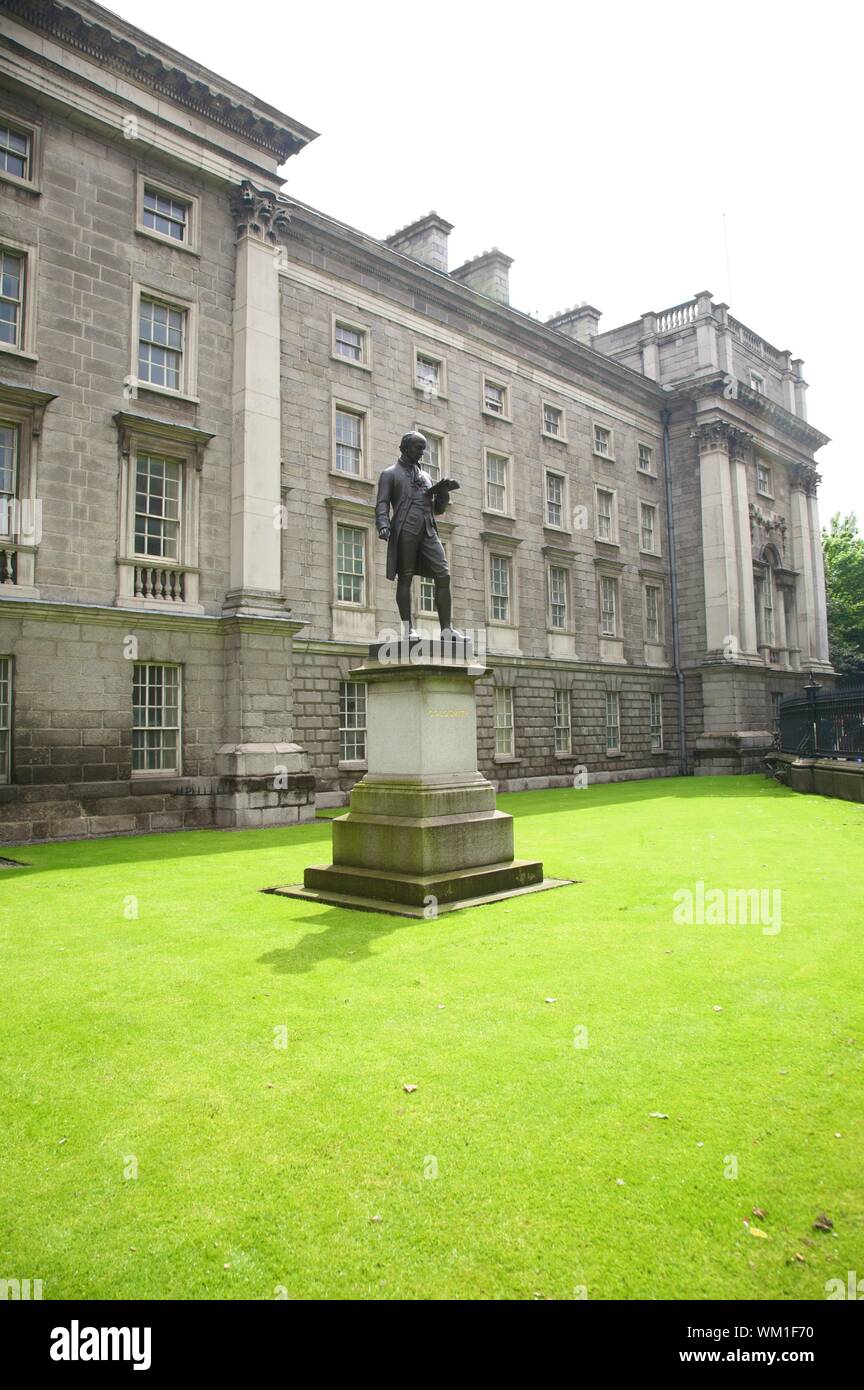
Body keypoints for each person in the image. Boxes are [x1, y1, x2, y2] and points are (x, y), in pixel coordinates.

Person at [375, 430, 464, 640]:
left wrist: (443, 492)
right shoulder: (390, 473)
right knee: (405, 577)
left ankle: (447, 630)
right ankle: (408, 629)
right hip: (405, 527)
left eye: (424, 448)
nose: (422, 452)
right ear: (404, 447)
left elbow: (438, 510)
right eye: (418, 447)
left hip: (428, 528)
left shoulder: (425, 476)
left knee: (443, 574)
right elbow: (382, 503)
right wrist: (383, 525)